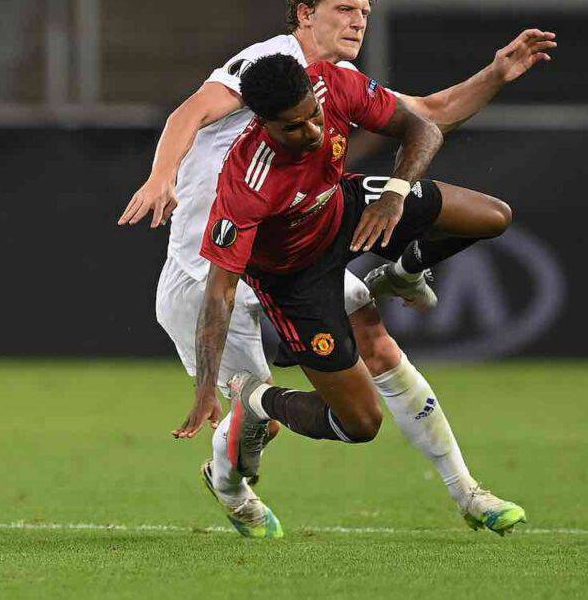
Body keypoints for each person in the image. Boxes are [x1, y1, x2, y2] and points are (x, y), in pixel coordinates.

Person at [117, 0, 555, 538]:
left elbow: (425, 115)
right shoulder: (272, 62)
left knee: (375, 334)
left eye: (365, 12)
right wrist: (162, 176)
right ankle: (231, 488)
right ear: (305, 14)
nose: (357, 22)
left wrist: (496, 73)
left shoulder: (335, 82)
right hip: (209, 273)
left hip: (303, 242)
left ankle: (468, 492)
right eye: (343, 8)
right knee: (257, 423)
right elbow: (190, 112)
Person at [183, 52, 524, 535]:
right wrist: (205, 389)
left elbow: (423, 127)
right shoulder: (246, 181)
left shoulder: (333, 84)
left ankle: (404, 273)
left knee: (492, 216)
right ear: (263, 125)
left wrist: (395, 193)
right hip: (296, 280)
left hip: (345, 207)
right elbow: (219, 293)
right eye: (294, 128)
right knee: (360, 424)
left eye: (313, 116)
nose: (313, 132)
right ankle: (257, 398)